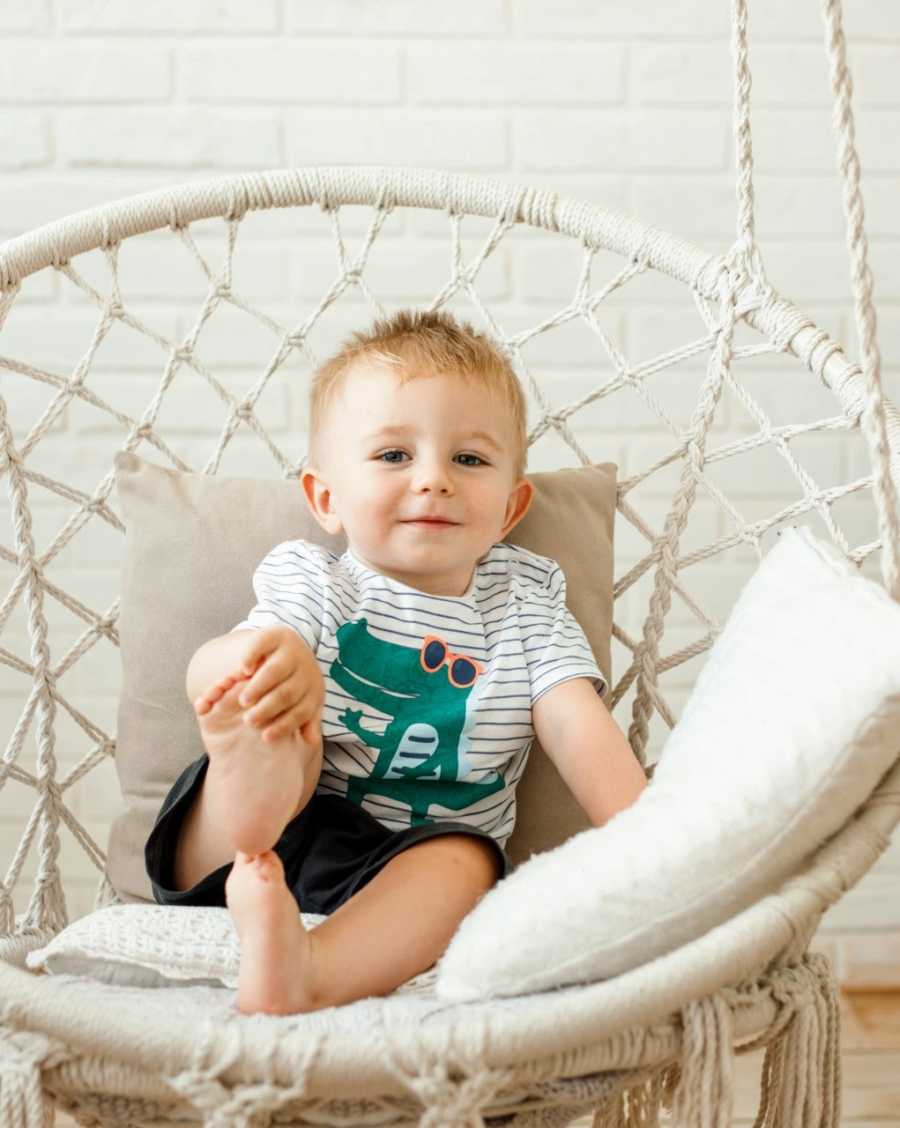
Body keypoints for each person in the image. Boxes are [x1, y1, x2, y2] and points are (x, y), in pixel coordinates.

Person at [144, 308, 648, 1015]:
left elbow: (579, 729)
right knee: (276, 721)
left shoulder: (526, 606)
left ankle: (306, 968)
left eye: (469, 459)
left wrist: (654, 848)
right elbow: (215, 673)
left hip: (413, 859)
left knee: (468, 862)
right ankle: (249, 769)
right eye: (393, 456)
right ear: (325, 497)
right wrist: (240, 671)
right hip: (276, 827)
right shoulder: (315, 585)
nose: (434, 479)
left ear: (509, 508)